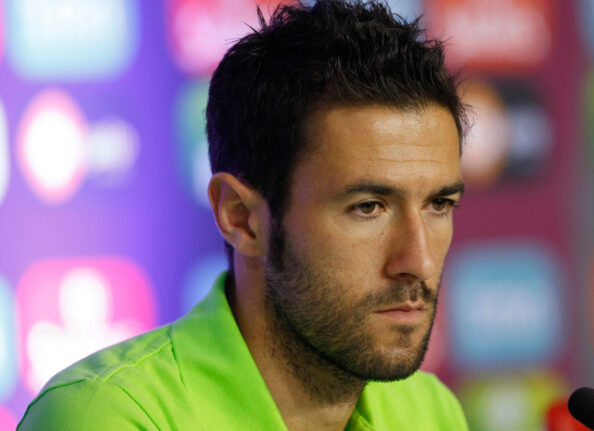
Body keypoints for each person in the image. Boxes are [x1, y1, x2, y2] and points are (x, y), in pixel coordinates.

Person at [18, 0, 469, 429]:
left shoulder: (428, 409)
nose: (419, 261)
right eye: (368, 208)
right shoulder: (105, 417)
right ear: (240, 217)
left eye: (438, 205)